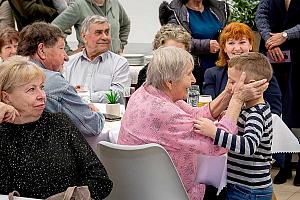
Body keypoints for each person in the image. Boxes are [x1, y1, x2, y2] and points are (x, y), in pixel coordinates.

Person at [118, 46, 268, 200]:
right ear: (170, 82)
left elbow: (195, 116)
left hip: (138, 187)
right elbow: (218, 146)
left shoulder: (145, 92)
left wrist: (229, 92)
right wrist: (237, 100)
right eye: (188, 74)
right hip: (169, 191)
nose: (193, 80)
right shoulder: (166, 113)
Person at [0, 56, 112, 199]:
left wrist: (73, 196)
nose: (42, 96)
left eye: (41, 87)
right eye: (31, 90)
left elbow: (100, 179)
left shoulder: (59, 123)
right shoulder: (3, 134)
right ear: (6, 97)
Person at [194, 52, 273, 199]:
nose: (228, 87)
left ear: (251, 85)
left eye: (232, 82)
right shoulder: (247, 109)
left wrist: (214, 133)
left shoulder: (256, 114)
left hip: (249, 190)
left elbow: (249, 146)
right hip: (240, 186)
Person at [17, 22, 105, 136]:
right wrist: (97, 113)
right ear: (42, 50)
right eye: (61, 48)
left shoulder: (7, 73)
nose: (66, 57)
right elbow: (92, 126)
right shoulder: (52, 81)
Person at [255, 0, 300, 185]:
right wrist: (270, 41)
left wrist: (285, 35)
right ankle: (284, 164)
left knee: (298, 109)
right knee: (277, 110)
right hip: (274, 56)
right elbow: (261, 16)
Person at [203, 22, 282, 116]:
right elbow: (208, 108)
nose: (237, 48)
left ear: (250, 45)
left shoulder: (262, 70)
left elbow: (275, 110)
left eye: (242, 42)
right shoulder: (211, 74)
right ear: (224, 48)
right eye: (231, 43)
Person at [159, 0, 229, 91]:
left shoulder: (218, 8)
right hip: (191, 69)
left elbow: (226, 33)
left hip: (218, 67)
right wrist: (206, 45)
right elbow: (175, 41)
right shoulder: (175, 11)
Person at [63, 15, 130, 103]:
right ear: (84, 37)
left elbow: (118, 94)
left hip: (107, 115)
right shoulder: (69, 62)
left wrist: (85, 97)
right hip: (74, 113)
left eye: (107, 32)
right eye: (98, 32)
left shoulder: (120, 63)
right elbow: (62, 91)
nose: (105, 37)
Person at [52, 0, 130, 55]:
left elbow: (125, 24)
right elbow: (53, 29)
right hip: (89, 62)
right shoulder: (79, 5)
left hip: (113, 61)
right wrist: (68, 52)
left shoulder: (114, 3)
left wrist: (121, 45)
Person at [136, 24, 191, 89]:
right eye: (169, 52)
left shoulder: (193, 71)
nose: (176, 56)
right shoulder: (147, 73)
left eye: (180, 52)